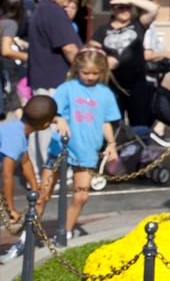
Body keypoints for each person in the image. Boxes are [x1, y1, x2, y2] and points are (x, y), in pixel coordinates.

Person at [36, 48, 120, 239]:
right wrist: (60, 119)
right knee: (43, 195)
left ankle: (64, 232)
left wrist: (111, 143)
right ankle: (28, 235)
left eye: (95, 73)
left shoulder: (104, 93)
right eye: (86, 73)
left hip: (87, 149)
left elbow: (106, 121)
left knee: (81, 195)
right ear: (77, 70)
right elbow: (52, 111)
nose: (90, 77)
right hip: (61, 148)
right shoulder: (67, 88)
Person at [27, 0, 81, 170]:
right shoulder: (53, 11)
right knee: (50, 127)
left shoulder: (43, 9)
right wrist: (85, 71)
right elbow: (69, 48)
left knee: (41, 126)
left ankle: (39, 173)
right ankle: (50, 173)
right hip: (53, 82)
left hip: (44, 79)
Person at [0, 95, 57, 262]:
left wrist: (35, 186)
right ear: (46, 125)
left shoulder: (17, 129)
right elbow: (7, 174)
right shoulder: (16, 137)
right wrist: (11, 208)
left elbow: (26, 162)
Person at [91, 0, 160, 130]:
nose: (125, 10)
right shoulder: (103, 30)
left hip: (137, 83)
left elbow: (153, 8)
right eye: (120, 8)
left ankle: (140, 150)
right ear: (112, 10)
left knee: (140, 124)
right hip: (113, 84)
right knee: (115, 123)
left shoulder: (138, 25)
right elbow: (91, 51)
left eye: (128, 8)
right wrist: (104, 60)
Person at [0, 0, 30, 117]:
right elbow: (6, 50)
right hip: (4, 67)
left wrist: (16, 40)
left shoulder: (0, 21)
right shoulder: (11, 23)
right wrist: (28, 57)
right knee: (15, 101)